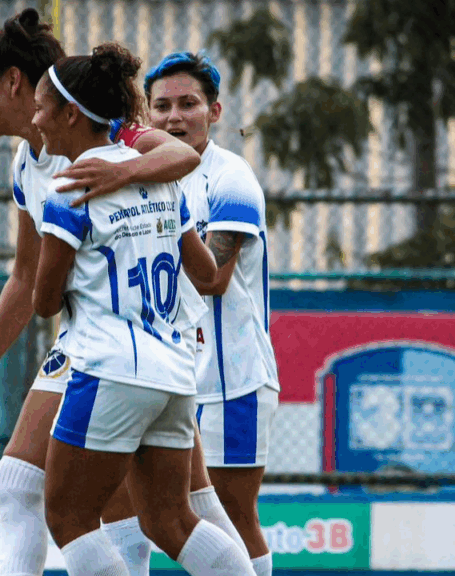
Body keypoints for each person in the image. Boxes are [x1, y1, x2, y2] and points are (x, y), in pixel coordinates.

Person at [0, 9, 201, 576]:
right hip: (100, 342)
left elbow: (183, 155)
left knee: (172, 513)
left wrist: (120, 173)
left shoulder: (107, 136)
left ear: (14, 81)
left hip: (141, 337)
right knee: (24, 483)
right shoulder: (27, 162)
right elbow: (26, 274)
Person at [31, 42, 255, 576]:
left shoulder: (69, 187)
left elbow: (43, 302)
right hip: (173, 371)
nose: (36, 120)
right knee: (171, 521)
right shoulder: (157, 178)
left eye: (42, 108)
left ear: (70, 114)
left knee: (67, 518)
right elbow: (205, 272)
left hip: (109, 368)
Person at [144, 51, 282, 576]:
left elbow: (212, 280)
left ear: (215, 112)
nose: (174, 117)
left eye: (188, 104)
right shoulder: (147, 177)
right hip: (169, 377)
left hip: (232, 383)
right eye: (162, 106)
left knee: (231, 516)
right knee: (143, 511)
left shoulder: (232, 181)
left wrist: (164, 210)